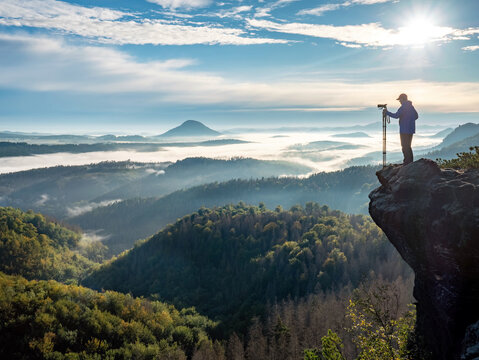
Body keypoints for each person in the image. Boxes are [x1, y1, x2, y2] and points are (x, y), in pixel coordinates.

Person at [384, 93, 418, 165]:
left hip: (404, 130)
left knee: (404, 146)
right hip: (411, 129)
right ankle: (410, 162)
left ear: (403, 99)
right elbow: (416, 116)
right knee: (408, 146)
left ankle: (407, 162)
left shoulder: (403, 107)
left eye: (400, 100)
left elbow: (396, 116)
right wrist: (410, 120)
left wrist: (387, 112)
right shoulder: (411, 107)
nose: (399, 101)